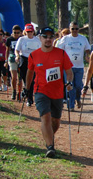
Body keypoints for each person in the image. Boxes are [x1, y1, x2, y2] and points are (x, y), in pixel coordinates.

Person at [24, 26, 73, 158]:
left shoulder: (61, 53)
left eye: (51, 36)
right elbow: (30, 73)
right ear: (39, 38)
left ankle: (49, 136)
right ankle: (50, 147)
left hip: (57, 93)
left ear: (54, 38)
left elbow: (69, 72)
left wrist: (69, 82)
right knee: (45, 117)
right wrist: (26, 88)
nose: (48, 39)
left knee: (55, 121)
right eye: (45, 36)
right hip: (41, 91)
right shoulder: (34, 55)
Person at [57, 22, 91, 111]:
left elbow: (87, 49)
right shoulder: (65, 39)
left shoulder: (83, 38)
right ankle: (71, 105)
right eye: (73, 29)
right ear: (70, 29)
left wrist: (87, 55)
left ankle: (78, 99)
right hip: (68, 67)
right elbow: (59, 49)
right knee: (70, 85)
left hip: (79, 66)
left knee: (78, 85)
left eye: (76, 29)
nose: (75, 31)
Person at [15, 24, 41, 106]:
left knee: (32, 80)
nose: (29, 33)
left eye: (31, 32)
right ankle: (25, 91)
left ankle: (30, 99)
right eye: (28, 32)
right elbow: (17, 50)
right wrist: (17, 56)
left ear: (33, 32)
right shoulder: (22, 39)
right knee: (25, 79)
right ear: (25, 32)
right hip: (24, 59)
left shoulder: (37, 40)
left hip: (34, 60)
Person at [5, 25, 23, 100]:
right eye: (15, 32)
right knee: (14, 76)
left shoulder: (22, 39)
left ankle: (20, 92)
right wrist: (6, 61)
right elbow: (7, 50)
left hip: (20, 58)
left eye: (17, 33)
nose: (16, 34)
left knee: (20, 78)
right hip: (12, 58)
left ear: (20, 32)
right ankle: (14, 91)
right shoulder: (9, 39)